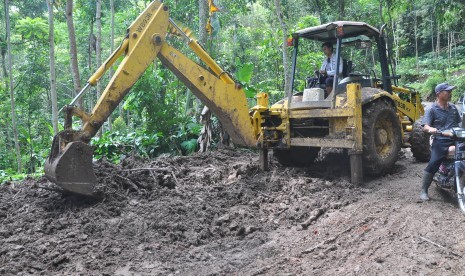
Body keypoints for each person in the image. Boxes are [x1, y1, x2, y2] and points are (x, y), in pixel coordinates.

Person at [420, 83, 461, 201]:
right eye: (447, 91)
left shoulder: (453, 108)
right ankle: (424, 190)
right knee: (434, 162)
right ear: (439, 94)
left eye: (450, 91)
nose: (450, 93)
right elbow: (426, 126)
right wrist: (433, 129)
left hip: (455, 138)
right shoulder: (431, 109)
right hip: (441, 139)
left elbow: (459, 124)